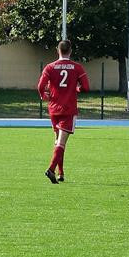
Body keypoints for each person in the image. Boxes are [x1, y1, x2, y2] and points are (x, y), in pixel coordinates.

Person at [37, 40, 90, 183]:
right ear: (70, 51)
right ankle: (51, 169)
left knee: (58, 141)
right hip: (68, 109)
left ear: (57, 50)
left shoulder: (50, 67)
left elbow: (40, 86)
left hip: (54, 109)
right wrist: (76, 88)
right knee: (61, 142)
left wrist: (43, 96)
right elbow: (86, 87)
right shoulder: (77, 68)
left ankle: (61, 173)